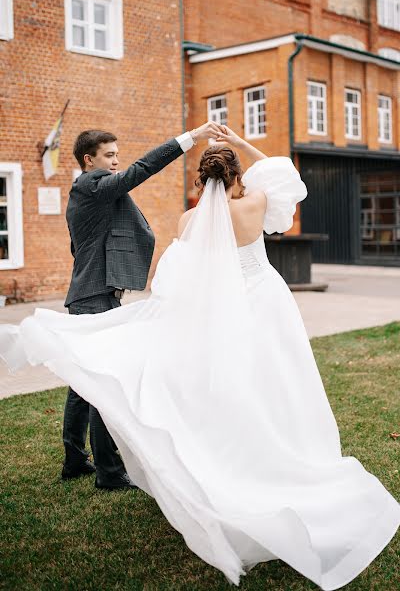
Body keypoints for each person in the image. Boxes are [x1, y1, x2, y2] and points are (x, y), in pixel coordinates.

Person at [1, 126, 399, 590]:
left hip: (220, 317)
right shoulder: (255, 204)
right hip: (267, 309)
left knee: (230, 390)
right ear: (237, 178)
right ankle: (289, 452)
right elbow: (283, 172)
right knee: (280, 386)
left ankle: (229, 461)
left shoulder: (189, 223)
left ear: (202, 182)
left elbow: (173, 284)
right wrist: (240, 145)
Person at [62, 121, 223, 489]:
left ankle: (74, 460)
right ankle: (109, 472)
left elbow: (80, 247)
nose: (117, 161)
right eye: (110, 156)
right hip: (95, 300)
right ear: (89, 160)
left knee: (81, 385)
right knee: (105, 386)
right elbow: (143, 169)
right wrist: (189, 139)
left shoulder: (86, 191)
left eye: (117, 154)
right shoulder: (93, 185)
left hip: (89, 296)